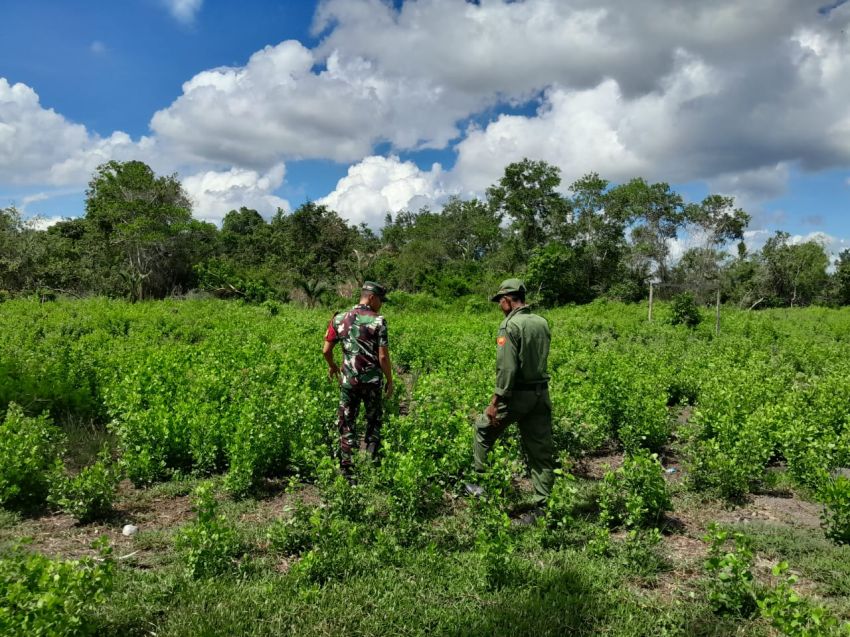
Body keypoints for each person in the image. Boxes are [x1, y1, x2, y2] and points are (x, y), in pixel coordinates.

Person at [468, 278, 555, 515]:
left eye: (500, 301)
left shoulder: (509, 326)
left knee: (483, 429)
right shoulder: (541, 322)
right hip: (541, 394)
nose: (499, 306)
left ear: (507, 300)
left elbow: (507, 369)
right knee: (540, 453)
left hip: (517, 396)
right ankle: (543, 509)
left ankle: (481, 487)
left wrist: (495, 403)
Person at [323, 281, 394, 477]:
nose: (381, 304)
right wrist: (390, 380)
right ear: (371, 297)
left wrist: (333, 366)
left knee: (347, 422)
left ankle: (347, 470)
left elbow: (326, 350)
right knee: (373, 420)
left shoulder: (339, 319)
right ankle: (371, 464)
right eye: (380, 300)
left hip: (349, 382)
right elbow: (383, 357)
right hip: (372, 383)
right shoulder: (379, 321)